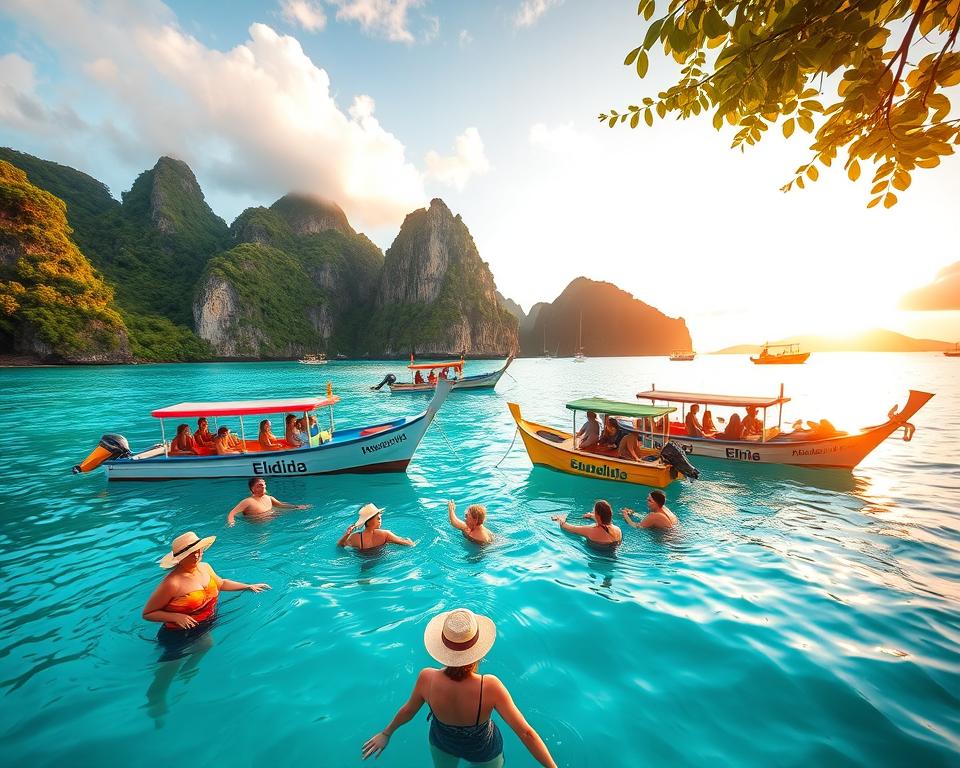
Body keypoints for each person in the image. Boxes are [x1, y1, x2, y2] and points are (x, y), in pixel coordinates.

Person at [361, 608, 557, 767]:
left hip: (442, 744)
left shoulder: (427, 678)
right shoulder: (489, 686)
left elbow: (408, 711)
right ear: (478, 650)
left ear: (441, 646)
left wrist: (386, 733)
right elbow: (526, 733)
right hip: (484, 751)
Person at [142, 531, 270, 631]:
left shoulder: (205, 567)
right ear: (180, 558)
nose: (197, 555)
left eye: (199, 550)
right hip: (179, 633)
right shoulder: (172, 583)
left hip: (207, 621)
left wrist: (248, 586)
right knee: (172, 664)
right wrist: (175, 617)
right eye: (191, 553)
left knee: (205, 647)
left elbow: (221, 583)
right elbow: (148, 613)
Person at [226, 477, 311, 526]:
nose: (263, 487)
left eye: (264, 485)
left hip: (273, 523)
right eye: (259, 486)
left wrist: (297, 507)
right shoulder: (248, 502)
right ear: (253, 489)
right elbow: (232, 513)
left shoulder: (269, 498)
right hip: (256, 528)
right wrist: (231, 523)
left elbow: (281, 505)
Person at [338, 503, 414, 551]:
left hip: (362, 559)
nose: (380, 519)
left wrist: (347, 535)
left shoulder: (355, 537)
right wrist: (409, 541)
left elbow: (340, 545)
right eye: (378, 517)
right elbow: (409, 544)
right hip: (381, 559)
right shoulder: (385, 534)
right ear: (369, 520)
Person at [551, 500, 622, 547]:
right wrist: (591, 516)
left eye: (593, 511)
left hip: (596, 556)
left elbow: (568, 528)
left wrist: (561, 519)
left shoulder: (591, 530)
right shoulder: (618, 530)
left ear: (597, 515)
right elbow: (603, 521)